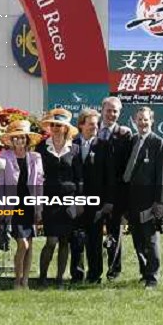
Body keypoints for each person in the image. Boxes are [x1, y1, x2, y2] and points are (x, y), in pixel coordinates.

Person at [36, 108, 82, 288]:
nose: (55, 128)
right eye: (53, 125)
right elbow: (37, 176)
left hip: (69, 200)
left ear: (65, 128)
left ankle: (60, 279)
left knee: (64, 241)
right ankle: (42, 277)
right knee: (51, 240)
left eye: (59, 125)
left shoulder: (75, 149)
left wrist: (79, 202)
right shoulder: (41, 147)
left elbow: (79, 178)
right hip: (49, 200)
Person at [122, 106, 163, 289]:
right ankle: (144, 273)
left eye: (146, 119)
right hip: (132, 199)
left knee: (151, 239)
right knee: (138, 239)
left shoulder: (158, 143)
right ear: (135, 120)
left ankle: (153, 278)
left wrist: (159, 202)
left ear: (152, 121)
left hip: (150, 201)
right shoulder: (133, 140)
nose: (142, 123)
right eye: (139, 119)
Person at [0, 120, 44, 289]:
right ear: (11, 140)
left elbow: (39, 184)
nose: (19, 141)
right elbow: (0, 185)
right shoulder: (4, 157)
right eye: (15, 138)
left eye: (22, 138)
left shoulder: (35, 157)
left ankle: (25, 281)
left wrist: (39, 208)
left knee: (30, 245)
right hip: (13, 206)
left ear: (27, 139)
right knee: (23, 243)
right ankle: (17, 280)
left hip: (30, 205)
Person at [71, 109, 114, 284]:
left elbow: (110, 176)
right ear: (81, 125)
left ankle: (95, 275)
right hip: (75, 199)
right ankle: (77, 274)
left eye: (96, 124)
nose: (94, 127)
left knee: (95, 239)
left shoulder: (104, 145)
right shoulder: (71, 144)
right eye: (91, 124)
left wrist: (108, 201)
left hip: (97, 201)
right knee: (76, 239)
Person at [97, 96, 132, 280]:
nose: (111, 114)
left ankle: (114, 271)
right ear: (102, 110)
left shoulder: (125, 135)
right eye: (108, 110)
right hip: (94, 193)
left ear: (119, 113)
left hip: (116, 194)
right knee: (92, 234)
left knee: (114, 234)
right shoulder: (91, 131)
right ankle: (93, 272)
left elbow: (127, 168)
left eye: (115, 111)